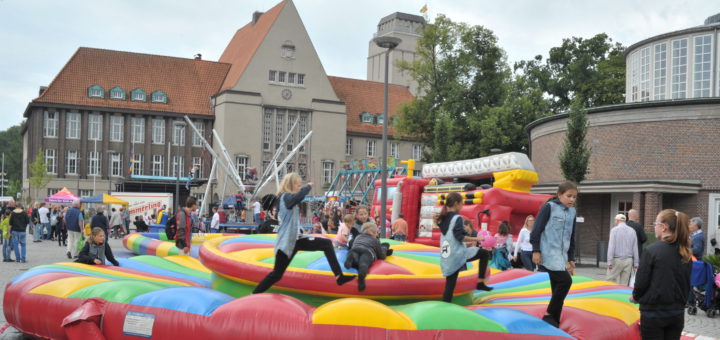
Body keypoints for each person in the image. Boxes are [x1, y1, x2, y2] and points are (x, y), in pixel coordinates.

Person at [252, 173, 355, 294]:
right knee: (276, 275)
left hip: (296, 240)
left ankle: (339, 277)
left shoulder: (285, 198)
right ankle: (254, 294)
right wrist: (308, 187)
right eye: (298, 185)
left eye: (301, 185)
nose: (300, 187)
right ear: (290, 184)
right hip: (287, 243)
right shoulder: (285, 197)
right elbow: (295, 199)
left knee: (326, 244)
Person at [631, 209, 692, 339]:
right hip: (676, 312)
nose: (654, 227)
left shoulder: (651, 251)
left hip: (653, 313)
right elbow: (686, 283)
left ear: (664, 227)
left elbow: (641, 282)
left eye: (655, 223)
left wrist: (635, 296)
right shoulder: (685, 253)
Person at [530, 181, 578, 328]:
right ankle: (549, 314)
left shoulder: (573, 212)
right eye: (568, 196)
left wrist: (570, 258)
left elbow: (571, 236)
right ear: (559, 195)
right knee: (566, 281)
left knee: (557, 287)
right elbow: (536, 230)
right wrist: (536, 250)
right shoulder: (549, 208)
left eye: (574, 197)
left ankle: (554, 321)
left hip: (562, 257)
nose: (572, 199)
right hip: (548, 254)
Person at [436, 192, 493, 303]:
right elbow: (460, 237)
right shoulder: (457, 218)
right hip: (458, 254)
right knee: (484, 254)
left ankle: (445, 304)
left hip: (447, 255)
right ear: (456, 204)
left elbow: (452, 238)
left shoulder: (443, 218)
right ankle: (480, 282)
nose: (462, 207)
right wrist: (477, 239)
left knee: (450, 285)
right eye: (461, 204)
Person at [345, 222, 393, 291]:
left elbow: (352, 245)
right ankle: (361, 276)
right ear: (370, 231)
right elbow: (381, 256)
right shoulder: (375, 240)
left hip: (355, 249)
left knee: (354, 254)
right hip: (367, 252)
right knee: (364, 263)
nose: (377, 235)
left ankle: (350, 260)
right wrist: (385, 251)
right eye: (376, 232)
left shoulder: (358, 237)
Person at [606, 214, 639, 285]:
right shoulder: (632, 231)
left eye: (615, 220)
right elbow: (635, 248)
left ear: (617, 221)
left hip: (616, 260)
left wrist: (609, 261)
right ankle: (622, 296)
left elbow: (611, 247)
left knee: (610, 280)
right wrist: (636, 263)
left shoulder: (614, 230)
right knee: (624, 283)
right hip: (629, 261)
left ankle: (611, 295)